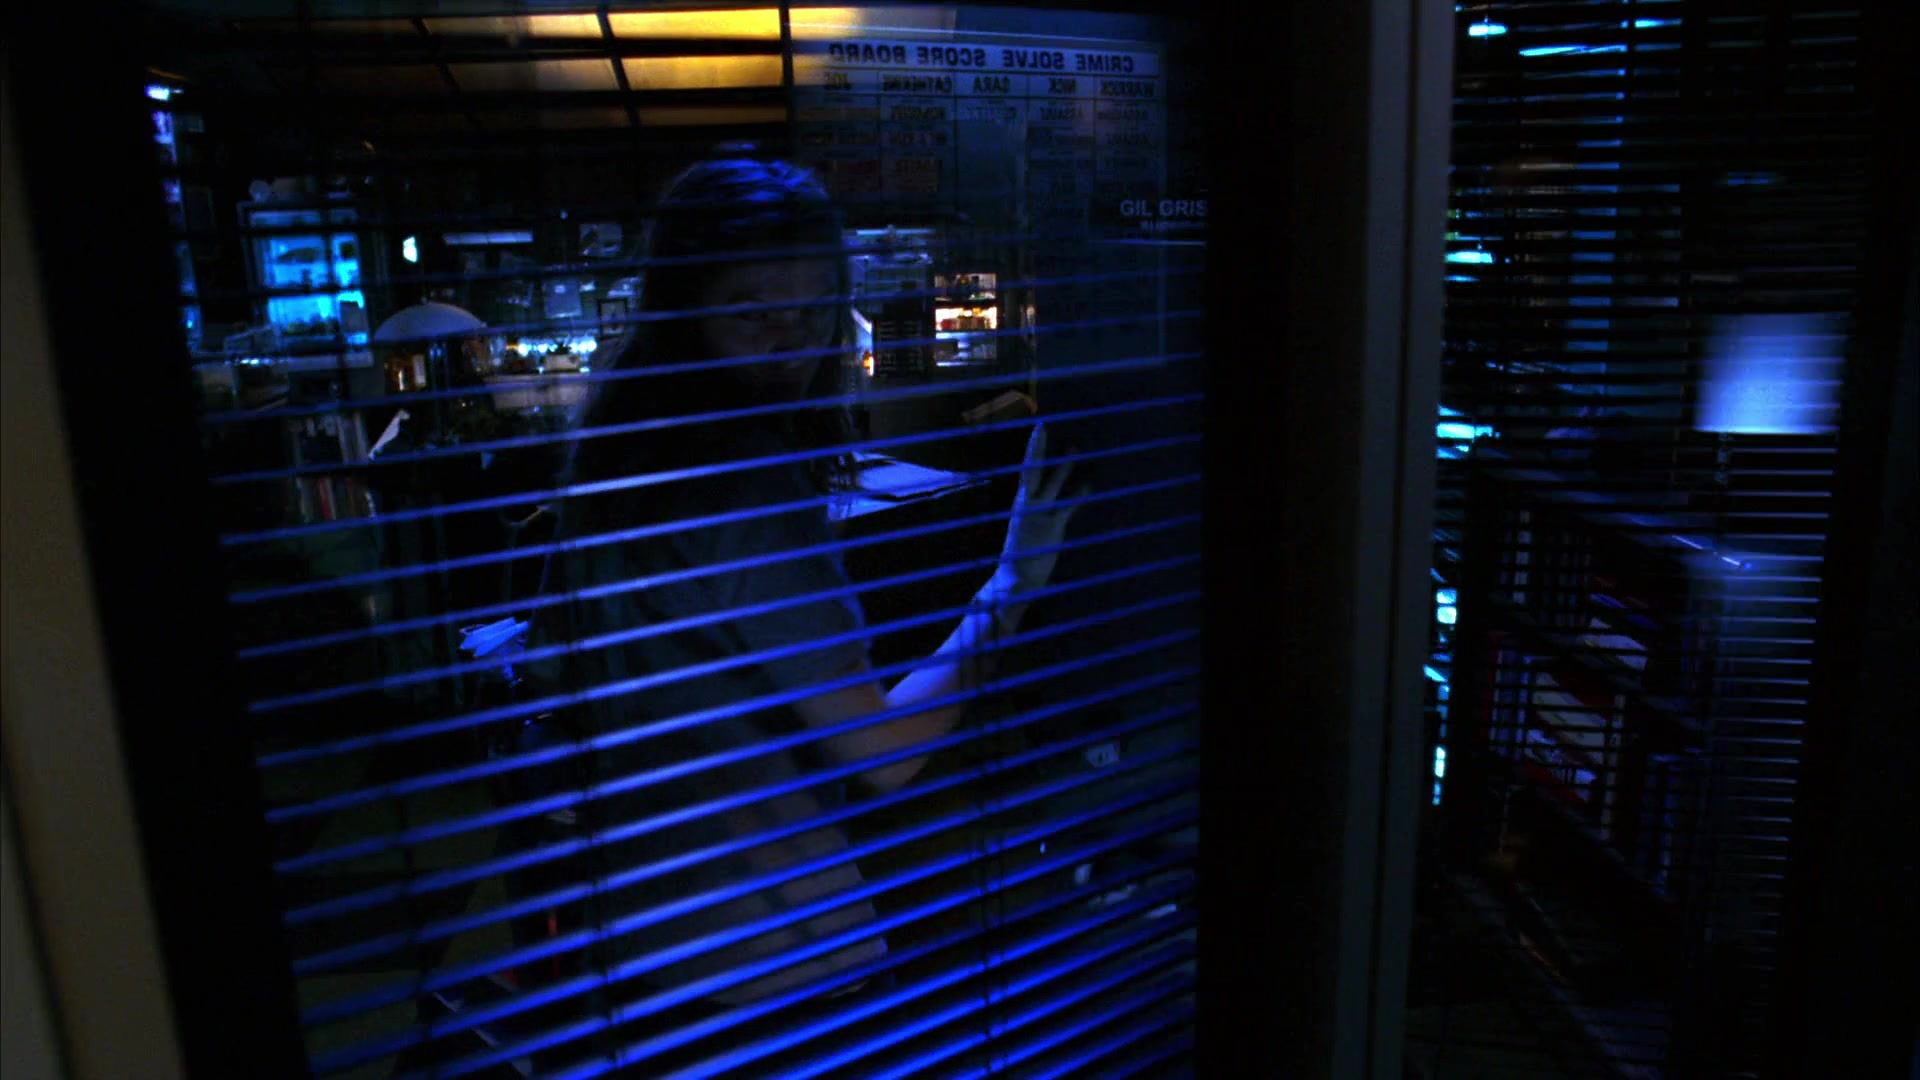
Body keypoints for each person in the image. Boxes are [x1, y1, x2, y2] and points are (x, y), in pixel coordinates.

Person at [512, 155, 1083, 1072]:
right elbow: (884, 756)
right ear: (683, 313)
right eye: (753, 310)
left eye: (815, 307)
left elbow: (547, 688)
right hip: (776, 969)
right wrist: (1010, 586)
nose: (793, 341)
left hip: (644, 958)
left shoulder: (611, 467)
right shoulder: (747, 488)